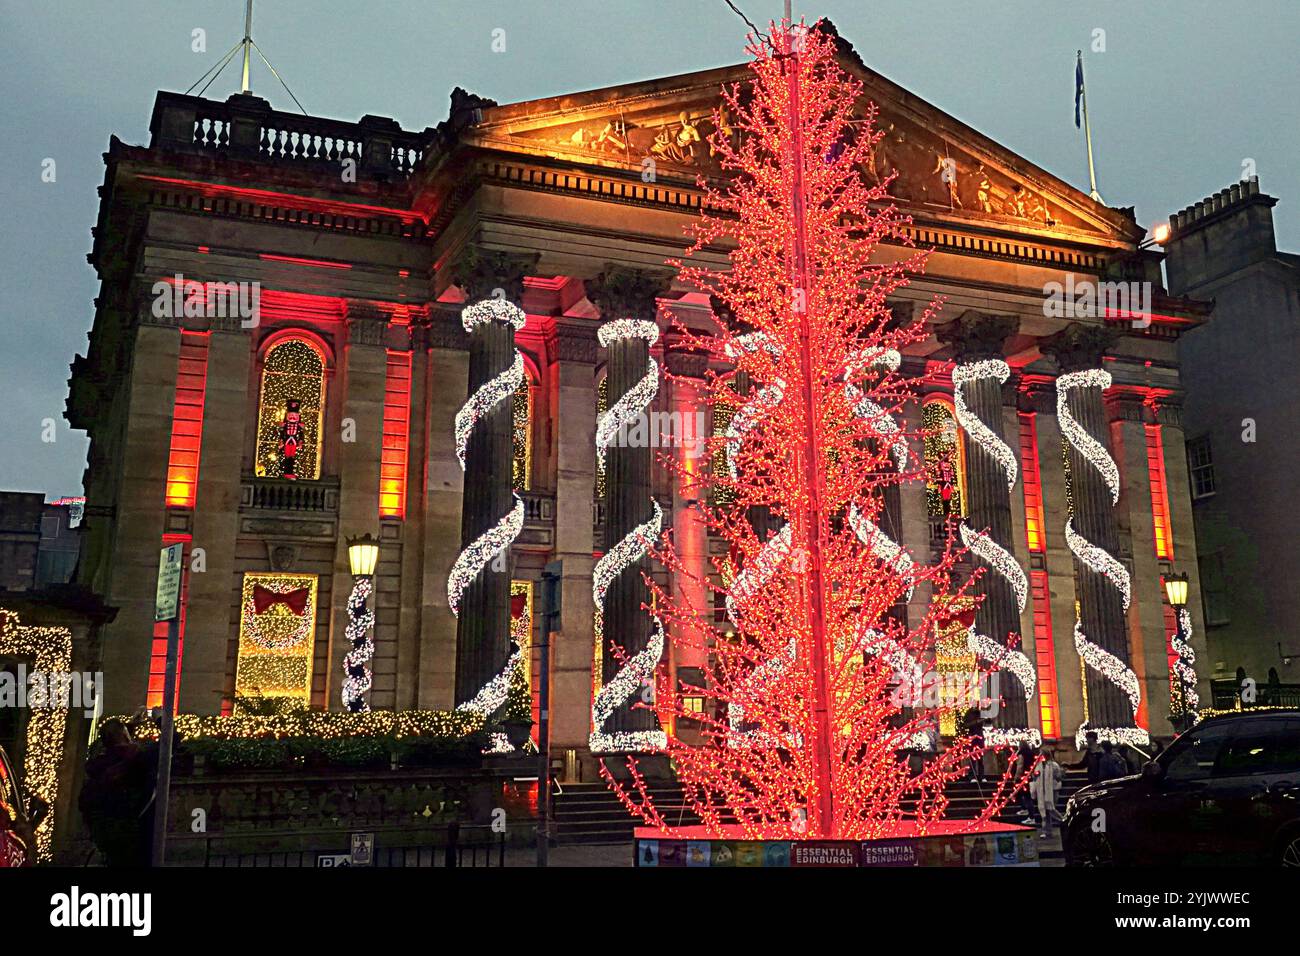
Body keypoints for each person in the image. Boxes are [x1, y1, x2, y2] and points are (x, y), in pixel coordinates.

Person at [79, 721, 157, 866]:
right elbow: (170, 742)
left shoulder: (99, 763)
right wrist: (160, 720)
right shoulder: (137, 759)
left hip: (106, 833)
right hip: (132, 833)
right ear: (125, 736)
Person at [1030, 746, 1065, 838]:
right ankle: (1046, 831)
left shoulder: (1054, 765)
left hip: (1052, 790)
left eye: (1041, 753)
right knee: (1045, 811)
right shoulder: (1038, 765)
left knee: (1050, 809)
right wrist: (1035, 775)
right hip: (1042, 790)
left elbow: (1059, 777)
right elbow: (1034, 776)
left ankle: (1063, 821)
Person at [1013, 741, 1037, 820]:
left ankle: (1030, 815)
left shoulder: (1021, 754)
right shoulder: (1032, 754)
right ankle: (1025, 809)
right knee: (1024, 795)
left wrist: (1016, 777)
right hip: (1029, 776)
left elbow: (1020, 766)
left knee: (1025, 796)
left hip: (1022, 778)